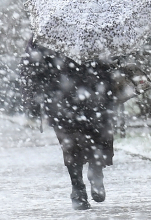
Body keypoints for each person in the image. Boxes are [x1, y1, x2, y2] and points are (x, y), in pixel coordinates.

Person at [20, 40, 117, 210]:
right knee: (79, 142)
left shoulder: (46, 33)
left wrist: (33, 101)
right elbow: (32, 68)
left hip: (76, 98)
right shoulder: (96, 32)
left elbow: (31, 69)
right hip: (72, 98)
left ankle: (84, 182)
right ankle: (81, 184)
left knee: (82, 142)